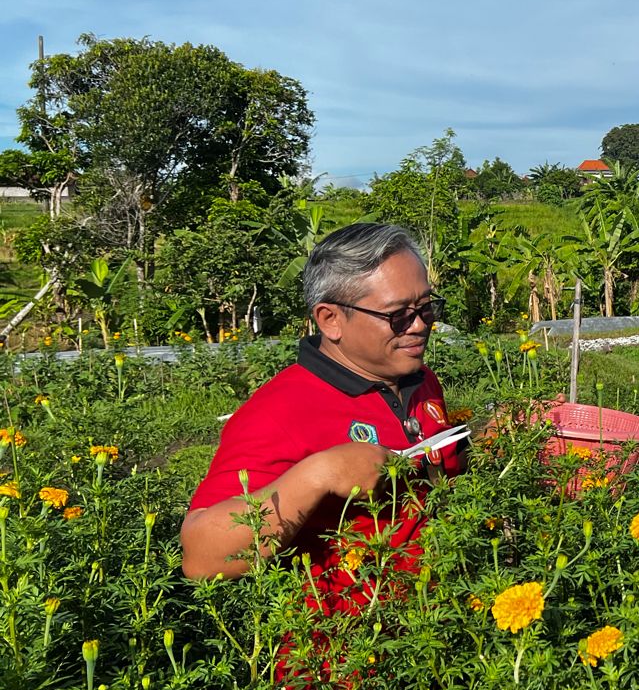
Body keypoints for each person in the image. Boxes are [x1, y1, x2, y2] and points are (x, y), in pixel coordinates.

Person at [183, 223, 465, 608]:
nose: (419, 326)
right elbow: (200, 556)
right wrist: (318, 475)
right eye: (398, 315)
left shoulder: (420, 380)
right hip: (343, 653)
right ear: (330, 319)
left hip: (435, 635)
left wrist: (499, 441)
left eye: (426, 307)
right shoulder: (280, 410)